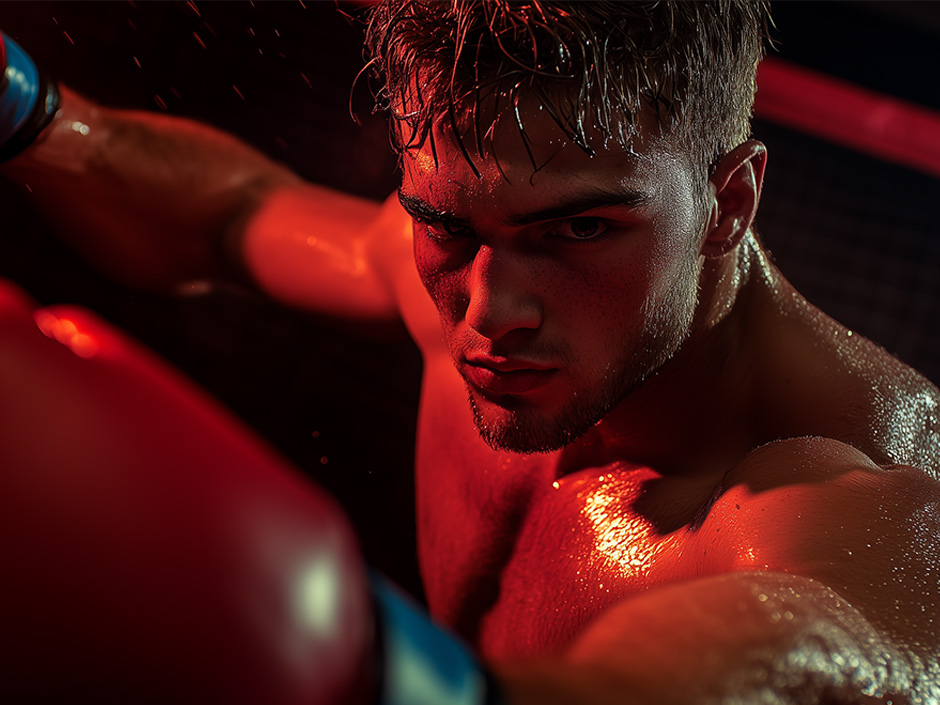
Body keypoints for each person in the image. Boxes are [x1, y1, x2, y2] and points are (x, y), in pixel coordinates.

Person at [1, 1, 939, 703]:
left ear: (729, 201)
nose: (490, 311)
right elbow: (233, 214)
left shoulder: (849, 496)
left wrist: (359, 674)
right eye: (443, 224)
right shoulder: (457, 278)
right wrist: (26, 110)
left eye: (577, 228)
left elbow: (806, 650)